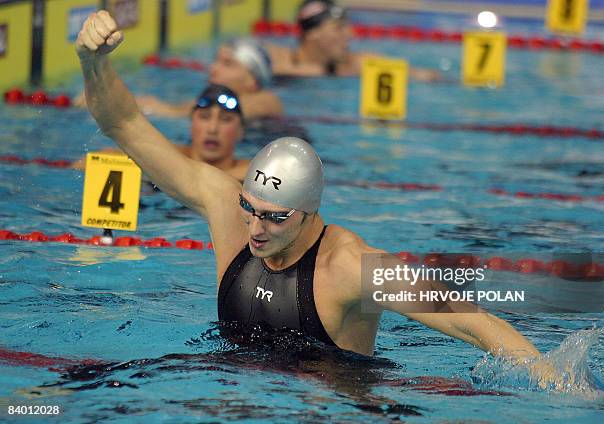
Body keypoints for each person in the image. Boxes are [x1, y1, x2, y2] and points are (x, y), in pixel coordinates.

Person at [76, 11, 575, 389]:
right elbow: (124, 124)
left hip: (336, 403)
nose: (253, 229)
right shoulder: (227, 210)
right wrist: (92, 61)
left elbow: (476, 324)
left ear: (309, 211)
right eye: (250, 208)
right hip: (235, 388)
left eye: (273, 218)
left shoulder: (353, 267)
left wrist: (556, 386)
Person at [72, 84, 250, 181]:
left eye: (225, 119)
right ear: (191, 124)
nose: (213, 129)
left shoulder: (250, 172)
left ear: (241, 131)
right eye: (204, 117)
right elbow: (88, 162)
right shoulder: (170, 155)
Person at [266, 0, 441, 81]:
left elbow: (425, 75)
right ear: (312, 33)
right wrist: (329, 71)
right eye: (339, 28)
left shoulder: (357, 63)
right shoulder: (278, 58)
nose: (351, 35)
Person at [136, 38, 283, 120]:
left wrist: (167, 111)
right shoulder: (210, 99)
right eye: (216, 61)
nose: (214, 69)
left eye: (228, 64)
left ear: (253, 80)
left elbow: (222, 110)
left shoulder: (267, 100)